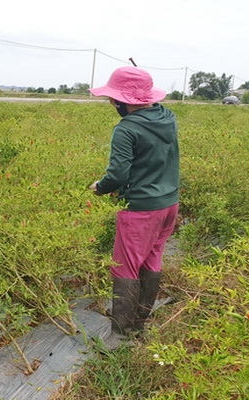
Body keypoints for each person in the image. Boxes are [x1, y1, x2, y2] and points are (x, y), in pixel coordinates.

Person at [89, 66, 179, 338]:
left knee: (125, 266)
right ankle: (139, 323)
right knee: (152, 259)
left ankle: (121, 335)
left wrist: (101, 188)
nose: (111, 102)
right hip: (169, 204)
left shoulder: (126, 129)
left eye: (112, 98)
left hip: (140, 209)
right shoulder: (168, 117)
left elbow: (117, 174)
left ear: (121, 100)